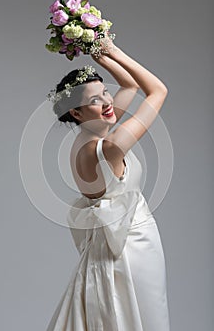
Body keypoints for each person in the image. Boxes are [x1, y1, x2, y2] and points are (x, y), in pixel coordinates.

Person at [45, 35, 171, 330]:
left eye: (105, 93)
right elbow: (158, 91)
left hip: (109, 246)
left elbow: (129, 86)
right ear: (76, 112)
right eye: (94, 100)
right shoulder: (111, 146)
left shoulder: (84, 139)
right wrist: (114, 50)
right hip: (132, 249)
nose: (107, 103)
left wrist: (99, 56)